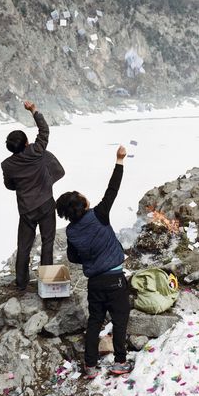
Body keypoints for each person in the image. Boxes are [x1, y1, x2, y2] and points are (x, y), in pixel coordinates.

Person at [56, 146, 131, 378]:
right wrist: (119, 160)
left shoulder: (71, 232)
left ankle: (90, 366)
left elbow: (72, 257)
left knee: (95, 322)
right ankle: (120, 362)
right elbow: (113, 189)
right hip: (115, 279)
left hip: (95, 283)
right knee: (119, 321)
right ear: (83, 204)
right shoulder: (99, 214)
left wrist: (89, 255)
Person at [1, 101, 65, 291]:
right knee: (47, 242)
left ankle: (21, 283)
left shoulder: (7, 165)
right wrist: (34, 111)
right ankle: (48, 283)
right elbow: (44, 131)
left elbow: (9, 185)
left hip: (26, 210)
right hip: (46, 204)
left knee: (24, 246)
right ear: (26, 143)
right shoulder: (36, 151)